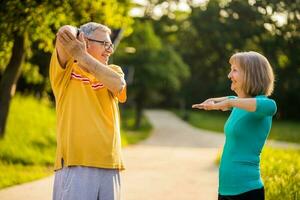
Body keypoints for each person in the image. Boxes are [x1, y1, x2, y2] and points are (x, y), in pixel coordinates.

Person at [49, 22, 126, 200]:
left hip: (110, 163)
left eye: (110, 44)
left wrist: (82, 56)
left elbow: (119, 85)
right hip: (76, 163)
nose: (110, 50)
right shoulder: (65, 72)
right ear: (85, 41)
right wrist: (76, 40)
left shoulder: (113, 71)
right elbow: (64, 32)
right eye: (105, 44)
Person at [192, 51, 277, 200]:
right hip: (225, 190)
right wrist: (212, 103)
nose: (229, 75)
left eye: (234, 70)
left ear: (251, 74)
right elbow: (231, 98)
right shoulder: (240, 105)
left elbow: (271, 106)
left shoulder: (262, 106)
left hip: (247, 191)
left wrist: (228, 103)